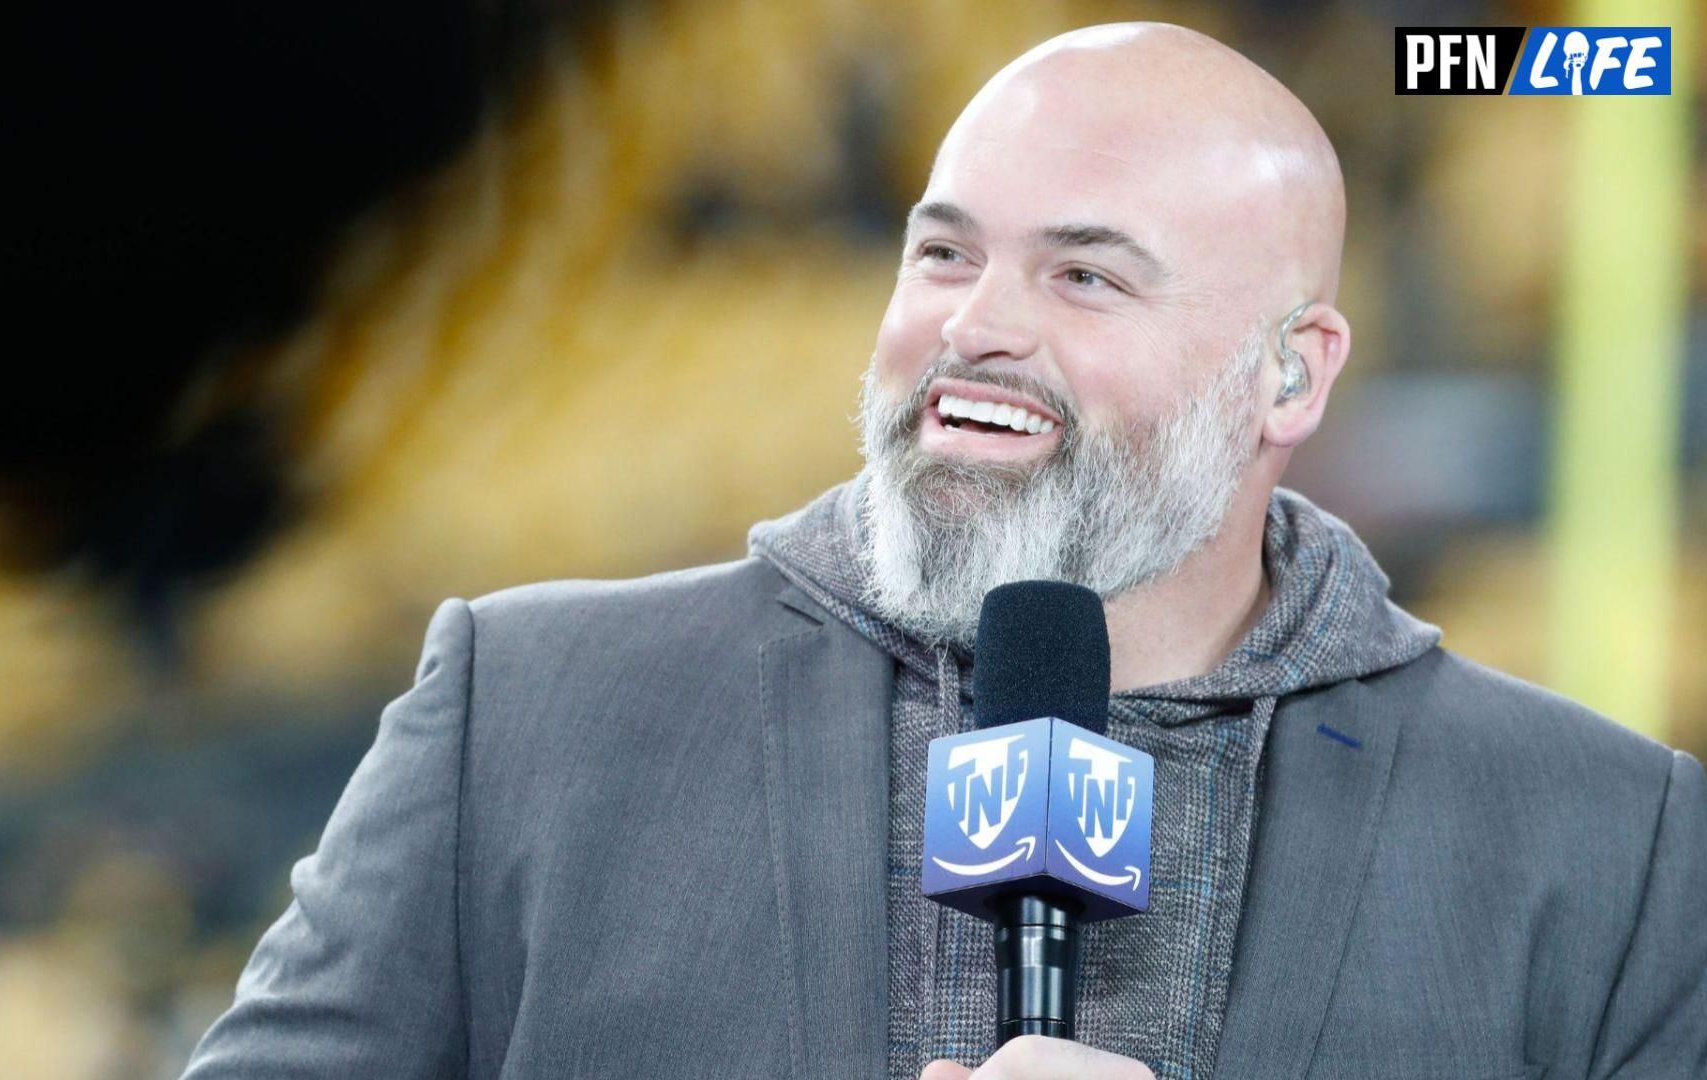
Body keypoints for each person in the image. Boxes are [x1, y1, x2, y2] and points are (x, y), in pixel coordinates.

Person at [182, 22, 1705, 1080]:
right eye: (945, 251)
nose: (978, 325)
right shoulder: (527, 713)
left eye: (1088, 275)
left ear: (1292, 376)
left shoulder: (1611, 843)